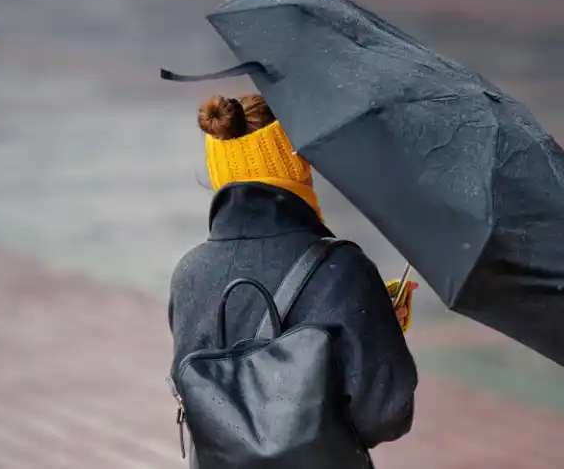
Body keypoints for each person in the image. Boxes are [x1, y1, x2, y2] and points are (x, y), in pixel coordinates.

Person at [168, 93, 418, 450]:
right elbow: (386, 414)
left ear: (219, 172)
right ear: (295, 166)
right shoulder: (343, 270)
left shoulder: (189, 274)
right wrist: (380, 326)